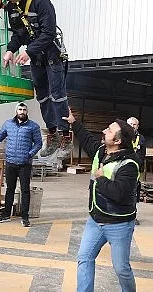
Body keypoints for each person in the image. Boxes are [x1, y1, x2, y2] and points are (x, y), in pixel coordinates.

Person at [0, 0, 72, 159]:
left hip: (52, 56)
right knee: (43, 97)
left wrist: (29, 51)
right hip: (37, 58)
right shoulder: (12, 8)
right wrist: (10, 50)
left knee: (58, 96)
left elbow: (48, 33)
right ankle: (53, 134)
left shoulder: (41, 2)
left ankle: (66, 135)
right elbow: (19, 33)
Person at [63, 109, 138, 292]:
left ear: (118, 141)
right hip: (96, 220)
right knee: (84, 258)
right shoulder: (101, 151)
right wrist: (74, 122)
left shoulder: (129, 164)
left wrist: (101, 177)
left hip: (119, 223)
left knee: (121, 269)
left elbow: (119, 193)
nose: (104, 131)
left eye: (110, 130)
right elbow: (87, 139)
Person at [0, 102, 42, 227]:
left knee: (25, 190)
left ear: (27, 112)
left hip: (24, 164)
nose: (22, 111)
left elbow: (38, 144)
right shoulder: (8, 124)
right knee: (9, 189)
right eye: (20, 109)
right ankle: (6, 215)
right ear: (16, 111)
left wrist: (29, 154)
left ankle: (25, 217)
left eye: (24, 109)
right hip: (11, 162)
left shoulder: (33, 126)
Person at [127, 117, 145, 225]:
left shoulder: (141, 139)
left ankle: (133, 216)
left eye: (134, 125)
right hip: (121, 170)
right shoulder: (120, 136)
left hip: (134, 171)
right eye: (130, 124)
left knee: (133, 195)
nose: (132, 126)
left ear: (137, 126)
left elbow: (142, 155)